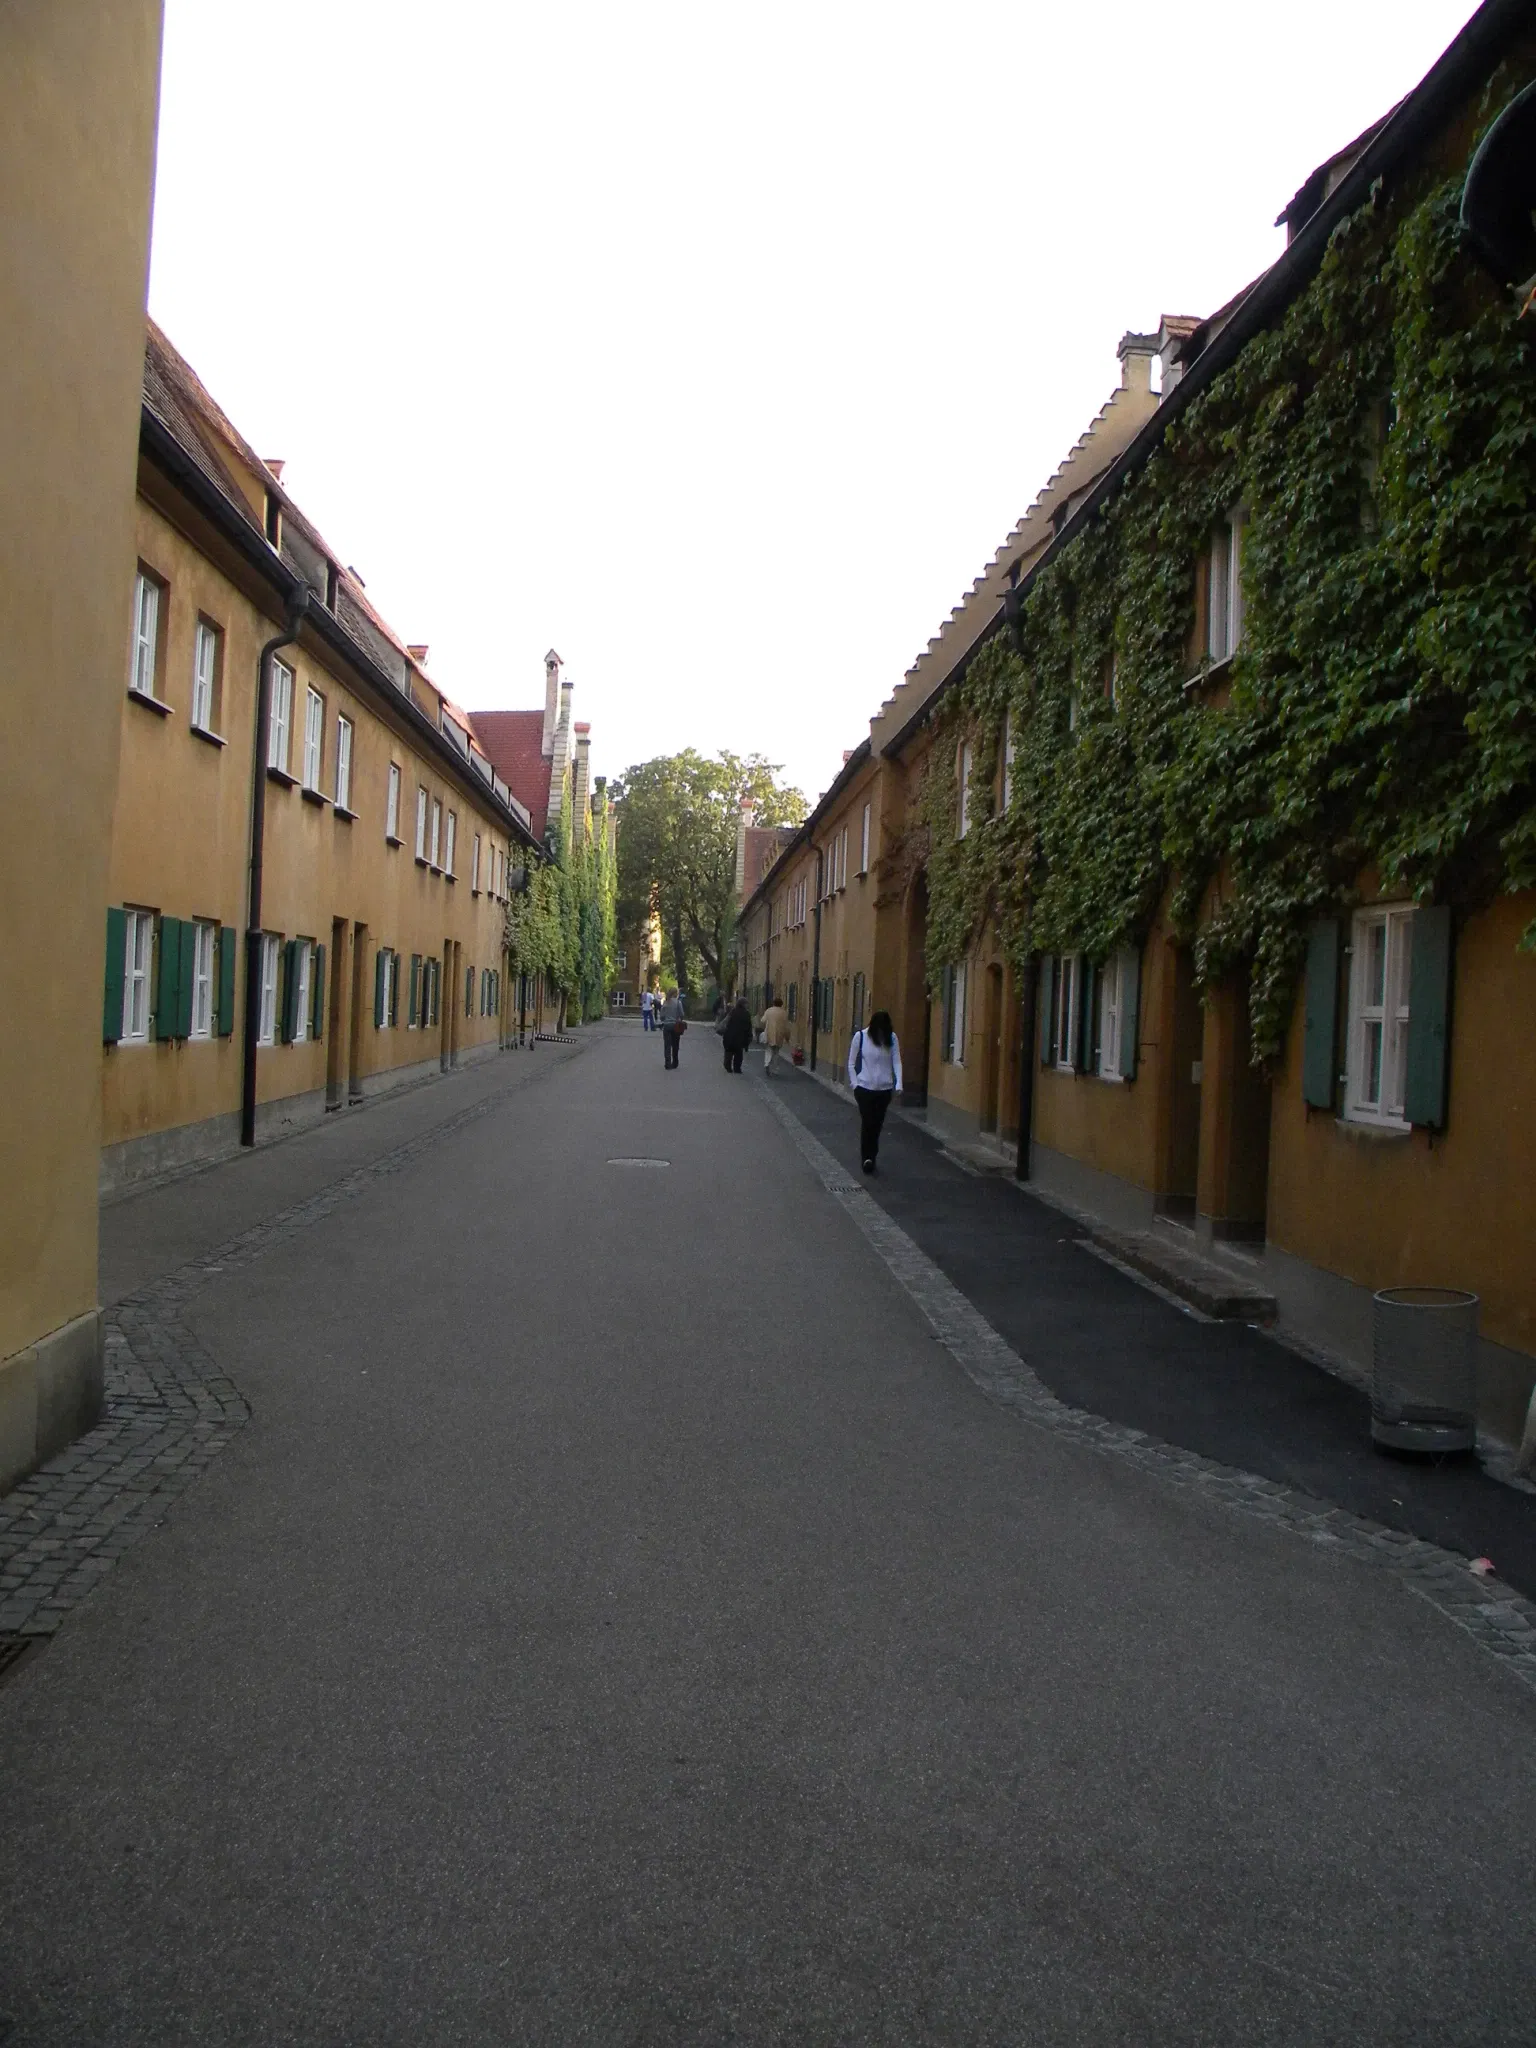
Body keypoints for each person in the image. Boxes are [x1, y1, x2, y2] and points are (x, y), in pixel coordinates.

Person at [847, 1008, 902, 1173]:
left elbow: (897, 1061)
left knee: (877, 1124)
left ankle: (873, 1154)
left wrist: (898, 1083)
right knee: (868, 1122)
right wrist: (854, 1083)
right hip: (864, 1088)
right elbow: (851, 1062)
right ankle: (867, 1158)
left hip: (884, 1089)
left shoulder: (891, 1038)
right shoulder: (861, 1037)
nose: (881, 1033)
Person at [757, 989, 791, 1076]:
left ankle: (767, 1063)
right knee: (776, 1053)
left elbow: (763, 1020)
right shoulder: (784, 1013)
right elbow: (786, 1027)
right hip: (779, 1035)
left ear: (773, 1003)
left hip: (769, 1034)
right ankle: (775, 1069)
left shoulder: (769, 1011)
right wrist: (787, 1038)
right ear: (781, 1004)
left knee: (768, 1050)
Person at [721, 996, 753, 1074]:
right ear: (743, 1004)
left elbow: (726, 1022)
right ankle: (737, 1068)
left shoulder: (732, 1011)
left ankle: (727, 1066)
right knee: (738, 1054)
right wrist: (749, 1037)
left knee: (729, 1052)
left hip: (729, 1035)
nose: (747, 1005)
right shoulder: (746, 1013)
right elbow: (748, 1026)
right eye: (746, 1004)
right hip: (740, 1037)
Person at [659, 985, 686, 1069]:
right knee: (675, 1045)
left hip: (667, 1026)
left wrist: (666, 1018)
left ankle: (667, 1064)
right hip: (675, 1026)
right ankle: (675, 1062)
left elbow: (662, 1016)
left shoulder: (666, 1002)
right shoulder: (678, 1002)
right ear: (676, 993)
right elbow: (682, 1014)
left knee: (667, 1046)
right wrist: (678, 1018)